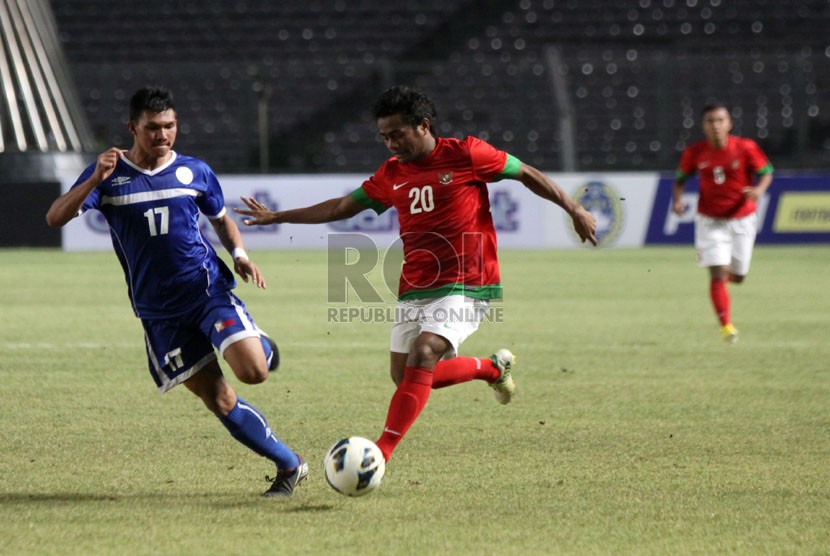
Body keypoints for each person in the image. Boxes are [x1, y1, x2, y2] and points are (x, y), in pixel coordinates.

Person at [235, 85, 597, 466]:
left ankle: (379, 455)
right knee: (405, 376)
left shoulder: (467, 154)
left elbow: (524, 172)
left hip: (468, 279)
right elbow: (344, 205)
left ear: (423, 126)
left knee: (423, 354)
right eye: (384, 137)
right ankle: (491, 368)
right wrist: (280, 216)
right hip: (416, 285)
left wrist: (573, 208)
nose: (390, 144)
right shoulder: (391, 174)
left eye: (397, 134)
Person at [45, 87, 307, 497]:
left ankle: (263, 347)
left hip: (205, 291)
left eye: (169, 126)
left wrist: (238, 254)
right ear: (133, 128)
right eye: (153, 128)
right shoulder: (109, 175)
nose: (163, 135)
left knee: (254, 371)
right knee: (219, 400)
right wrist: (94, 178)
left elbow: (220, 219)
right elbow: (55, 217)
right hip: (158, 314)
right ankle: (290, 465)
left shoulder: (194, 171)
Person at [672, 102, 774, 343]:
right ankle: (726, 326)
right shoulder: (695, 153)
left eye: (720, 120)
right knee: (717, 273)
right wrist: (677, 201)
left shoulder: (746, 148)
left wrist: (759, 191)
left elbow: (767, 172)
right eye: (710, 121)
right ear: (703, 126)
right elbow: (679, 180)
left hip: (742, 219)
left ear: (729, 123)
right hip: (710, 221)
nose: (715, 125)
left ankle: (721, 278)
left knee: (738, 276)